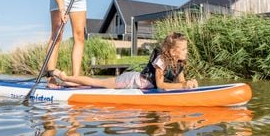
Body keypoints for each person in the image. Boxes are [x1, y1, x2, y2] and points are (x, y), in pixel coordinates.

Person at [51, 32, 198, 90]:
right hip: (131, 81)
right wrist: (183, 85)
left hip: (138, 83)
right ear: (172, 52)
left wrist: (188, 84)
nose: (187, 51)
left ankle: (66, 83)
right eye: (184, 49)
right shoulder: (161, 60)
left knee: (95, 85)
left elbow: (181, 83)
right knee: (97, 83)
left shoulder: (179, 64)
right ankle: (64, 78)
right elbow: (160, 84)